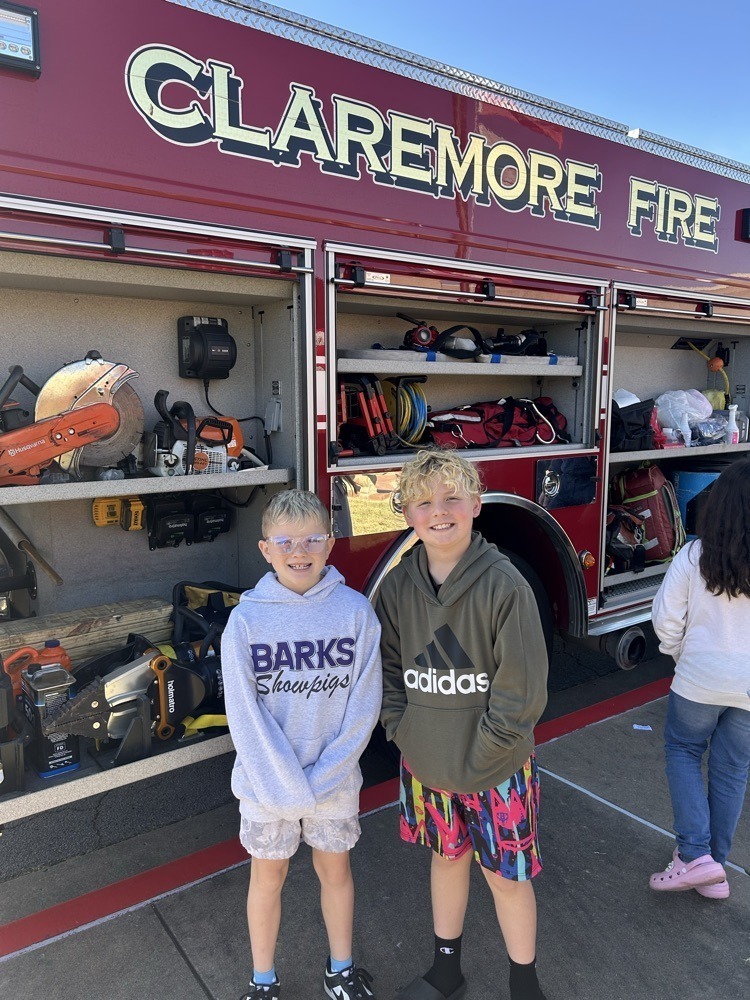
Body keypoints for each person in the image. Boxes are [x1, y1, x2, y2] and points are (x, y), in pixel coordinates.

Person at [375, 449, 549, 1000]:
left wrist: (482, 760)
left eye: (453, 498)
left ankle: (525, 985)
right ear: (407, 514)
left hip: (496, 772)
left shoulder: (506, 587)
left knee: (507, 879)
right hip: (427, 765)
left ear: (477, 504)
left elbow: (520, 694)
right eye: (424, 502)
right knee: (445, 863)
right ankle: (445, 970)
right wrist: (403, 730)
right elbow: (384, 668)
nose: (439, 511)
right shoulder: (399, 587)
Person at [222, 489, 382, 1000]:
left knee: (335, 870)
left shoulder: (355, 613)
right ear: (266, 549)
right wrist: (288, 786)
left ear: (330, 544)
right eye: (286, 541)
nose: (300, 550)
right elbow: (244, 717)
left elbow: (363, 708)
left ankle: (341, 970)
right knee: (267, 877)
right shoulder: (245, 621)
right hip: (267, 781)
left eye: (313, 538)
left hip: (333, 777)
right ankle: (263, 981)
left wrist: (323, 777)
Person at [649, 460, 750, 899]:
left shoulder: (694, 556)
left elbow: (666, 621)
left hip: (698, 681)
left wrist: (680, 656)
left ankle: (693, 856)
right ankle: (715, 869)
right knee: (731, 772)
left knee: (684, 752)